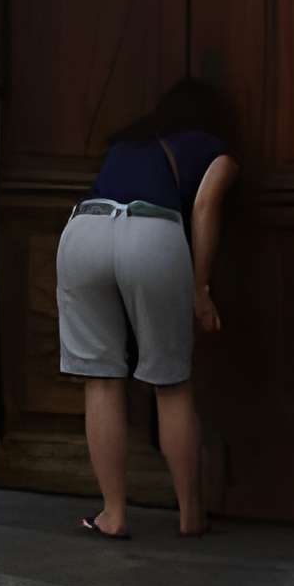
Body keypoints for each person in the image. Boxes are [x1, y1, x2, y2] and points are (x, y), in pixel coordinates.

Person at [55, 77, 237, 541]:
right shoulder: (215, 149)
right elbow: (204, 208)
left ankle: (113, 514)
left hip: (84, 229)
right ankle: (190, 515)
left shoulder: (127, 143)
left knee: (101, 379)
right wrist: (201, 288)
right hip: (152, 233)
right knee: (170, 383)